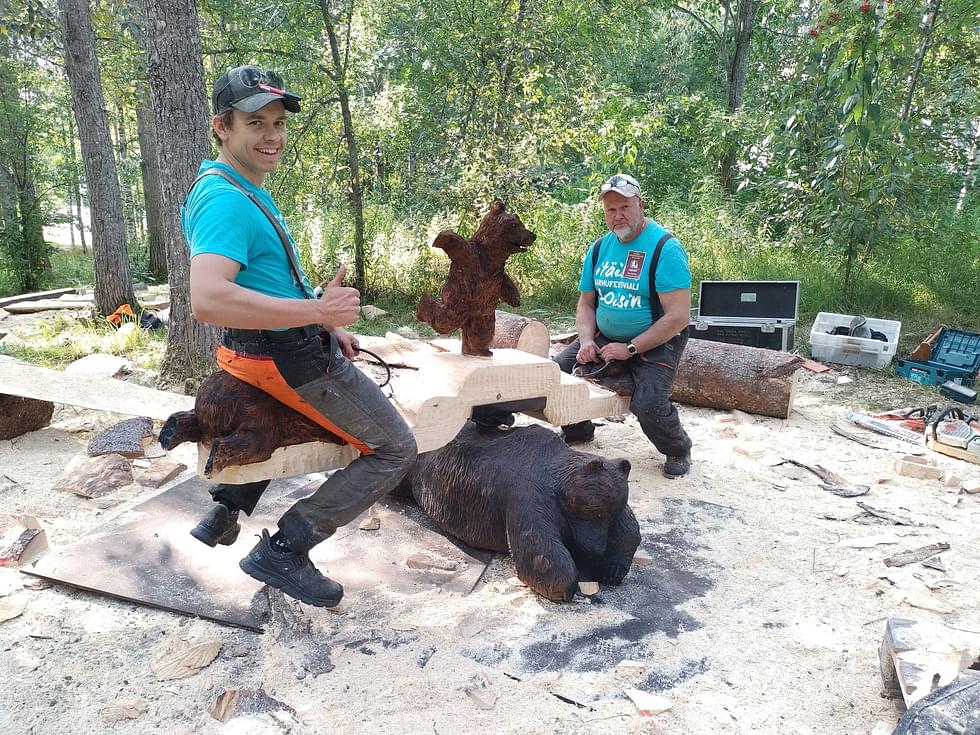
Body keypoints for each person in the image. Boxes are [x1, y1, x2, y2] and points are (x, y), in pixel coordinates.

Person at [180, 65, 417, 607]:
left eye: (279, 122)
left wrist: (325, 321)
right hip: (287, 359)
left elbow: (269, 276)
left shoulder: (238, 186)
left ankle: (227, 505)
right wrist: (314, 310)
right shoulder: (227, 200)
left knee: (318, 422)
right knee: (394, 447)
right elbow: (207, 297)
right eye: (255, 123)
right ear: (223, 127)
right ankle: (285, 549)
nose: (272, 136)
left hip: (256, 354)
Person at [553, 173, 693, 478]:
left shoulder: (665, 248)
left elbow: (678, 317)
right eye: (611, 210)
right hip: (605, 335)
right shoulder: (600, 248)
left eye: (625, 207)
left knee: (648, 403)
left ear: (640, 205)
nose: (618, 216)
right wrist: (588, 340)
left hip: (656, 339)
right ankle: (579, 430)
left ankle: (678, 448)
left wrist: (630, 348)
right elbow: (586, 303)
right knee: (558, 372)